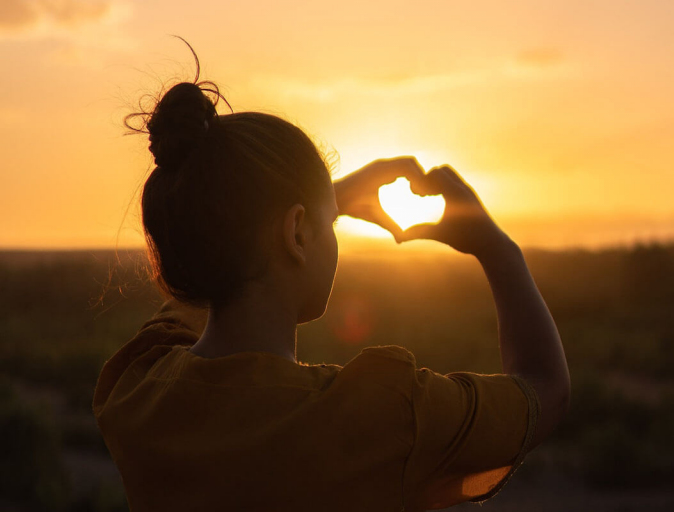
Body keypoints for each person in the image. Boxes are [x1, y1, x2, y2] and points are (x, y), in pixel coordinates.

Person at [93, 50, 570, 512]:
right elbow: (544, 389)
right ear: (297, 232)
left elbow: (215, 266)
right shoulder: (381, 417)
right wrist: (498, 249)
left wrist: (314, 204)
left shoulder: (137, 390)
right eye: (332, 223)